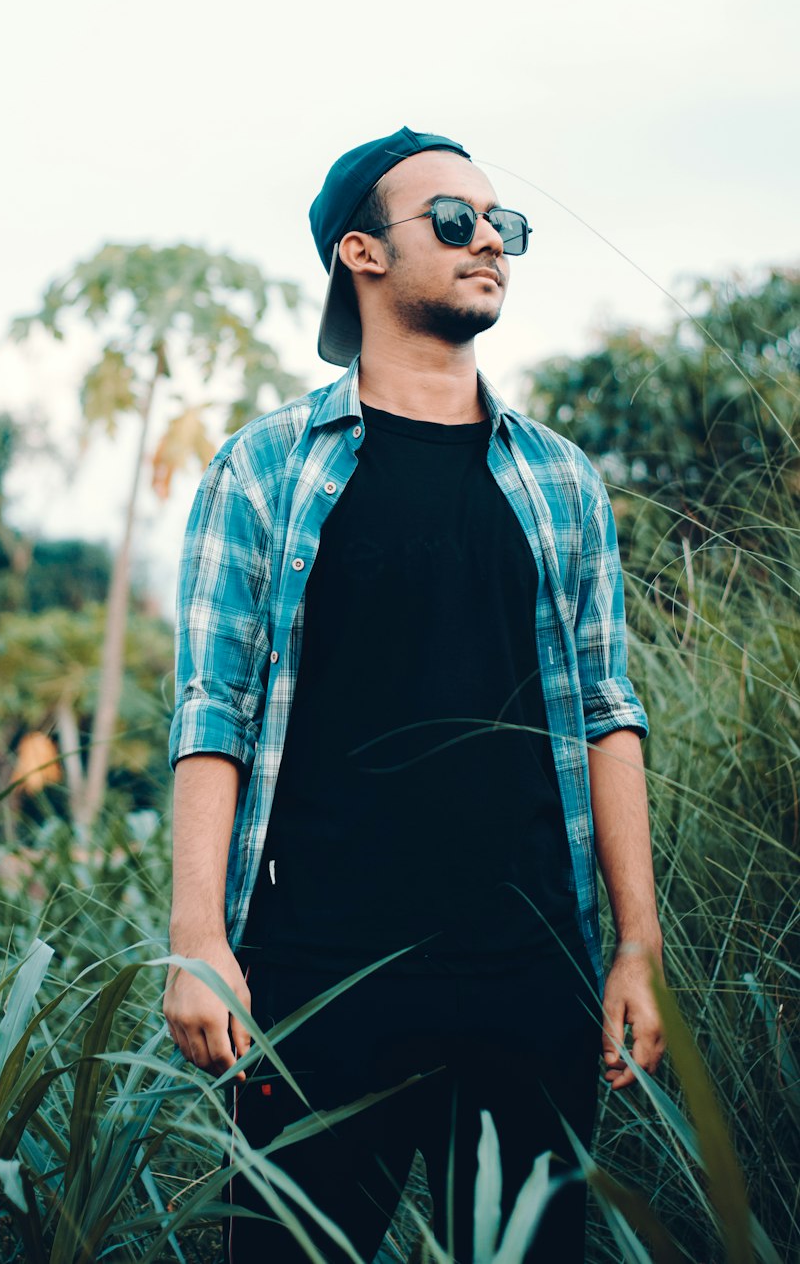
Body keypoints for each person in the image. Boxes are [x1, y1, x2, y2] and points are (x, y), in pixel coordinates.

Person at [163, 126, 665, 1262]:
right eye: (452, 219)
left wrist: (635, 943)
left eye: (502, 225)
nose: (489, 238)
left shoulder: (559, 480)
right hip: (316, 977)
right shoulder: (267, 468)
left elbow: (606, 715)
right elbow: (213, 714)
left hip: (531, 975)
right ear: (360, 253)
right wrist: (198, 935)